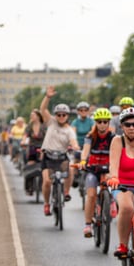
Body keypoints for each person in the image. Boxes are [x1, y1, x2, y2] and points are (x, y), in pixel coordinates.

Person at [108, 107, 134, 259]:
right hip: (123, 186)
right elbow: (113, 164)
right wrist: (113, 177)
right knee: (126, 207)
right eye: (127, 124)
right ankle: (123, 245)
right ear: (122, 126)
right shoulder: (118, 141)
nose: (131, 127)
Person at [40, 86, 80, 215]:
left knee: (71, 169)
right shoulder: (51, 122)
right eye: (59, 114)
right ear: (55, 115)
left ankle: (66, 191)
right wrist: (48, 97)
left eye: (64, 115)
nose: (61, 117)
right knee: (47, 181)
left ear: (67, 116)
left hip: (61, 157)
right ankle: (46, 203)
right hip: (48, 156)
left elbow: (74, 142)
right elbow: (43, 109)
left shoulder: (69, 130)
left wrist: (75, 147)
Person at [79, 108, 115, 237]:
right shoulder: (90, 136)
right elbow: (85, 150)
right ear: (96, 123)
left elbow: (117, 153)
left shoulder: (113, 137)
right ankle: (88, 225)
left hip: (107, 169)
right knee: (91, 195)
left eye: (105, 122)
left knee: (111, 185)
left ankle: (109, 202)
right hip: (93, 169)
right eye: (99, 122)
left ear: (109, 123)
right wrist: (83, 161)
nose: (102, 124)